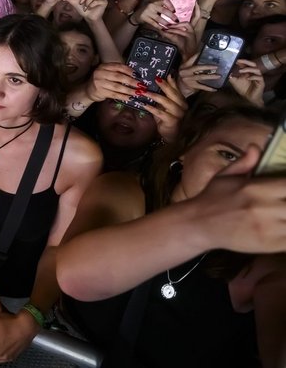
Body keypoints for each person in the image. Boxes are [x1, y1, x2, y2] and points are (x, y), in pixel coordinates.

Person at [57, 105, 286, 367]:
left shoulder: (268, 260)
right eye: (228, 155)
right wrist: (204, 224)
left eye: (266, 173)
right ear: (187, 150)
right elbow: (75, 278)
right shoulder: (126, 190)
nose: (243, 181)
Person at [0, 14, 102, 363]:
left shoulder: (77, 156)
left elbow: (59, 249)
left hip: (11, 307)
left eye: (16, 79)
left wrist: (30, 319)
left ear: (44, 85)